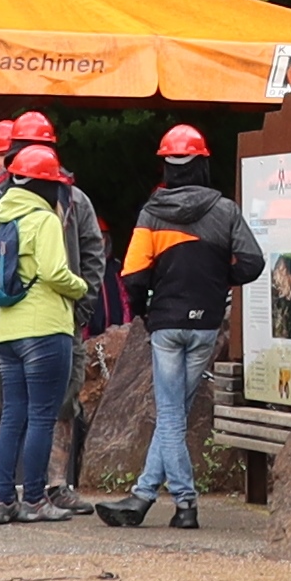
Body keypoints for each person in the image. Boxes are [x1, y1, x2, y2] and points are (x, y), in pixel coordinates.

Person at [102, 126, 263, 529]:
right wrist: (217, 279)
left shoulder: (152, 212)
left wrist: (144, 314)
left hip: (167, 325)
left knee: (171, 415)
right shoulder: (224, 210)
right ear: (202, 164)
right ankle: (140, 497)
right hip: (206, 323)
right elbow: (252, 263)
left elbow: (134, 275)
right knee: (176, 413)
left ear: (168, 167)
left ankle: (186, 504)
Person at [0, 146, 91, 524]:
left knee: (12, 415)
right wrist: (81, 288)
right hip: (44, 329)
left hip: (6, 329)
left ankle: (3, 500)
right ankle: (36, 500)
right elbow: (55, 273)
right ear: (47, 185)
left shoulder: (1, 220)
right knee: (43, 417)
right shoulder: (43, 220)